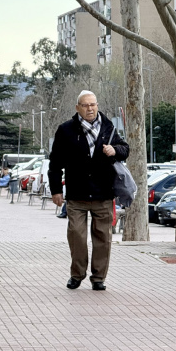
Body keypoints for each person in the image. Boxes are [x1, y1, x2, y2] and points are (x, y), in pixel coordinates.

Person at [48, 90, 129, 291]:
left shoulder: (108, 127)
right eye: (85, 105)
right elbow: (55, 163)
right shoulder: (66, 130)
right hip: (77, 195)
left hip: (103, 193)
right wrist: (56, 190)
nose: (90, 108)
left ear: (97, 106)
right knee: (76, 236)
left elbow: (125, 149)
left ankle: (99, 278)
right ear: (78, 108)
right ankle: (77, 274)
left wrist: (115, 150)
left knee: (103, 239)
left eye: (93, 104)